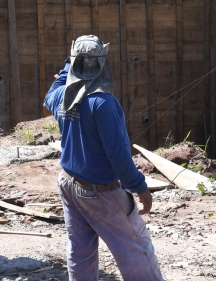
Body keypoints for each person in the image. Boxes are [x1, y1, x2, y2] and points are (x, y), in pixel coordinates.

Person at [45, 35, 163, 281]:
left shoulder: (62, 97)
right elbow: (119, 157)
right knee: (136, 249)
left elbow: (51, 92)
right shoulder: (103, 103)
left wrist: (70, 64)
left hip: (69, 183)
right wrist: (139, 187)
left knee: (80, 252)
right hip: (99, 191)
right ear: (102, 62)